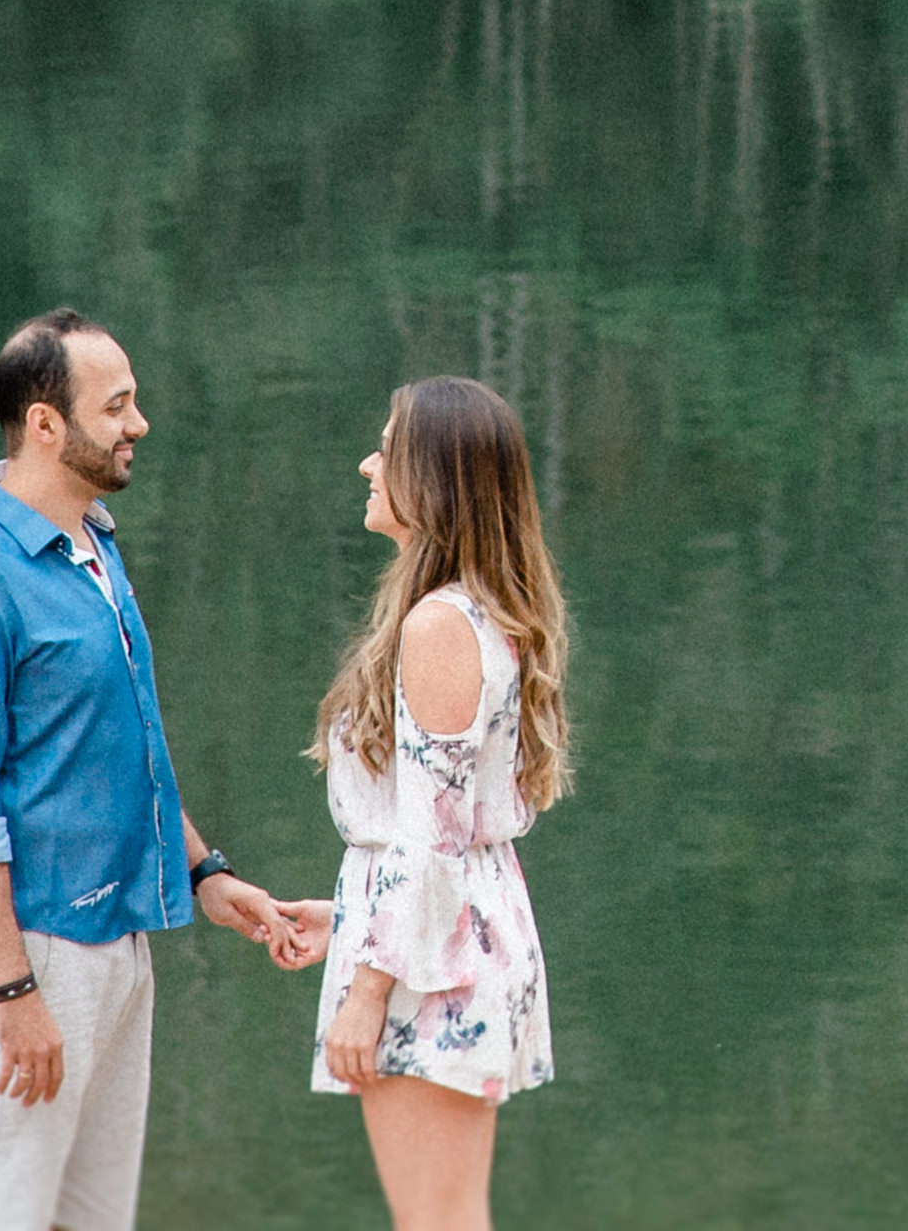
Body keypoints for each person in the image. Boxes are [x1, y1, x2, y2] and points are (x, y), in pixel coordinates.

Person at [0, 309, 329, 1231]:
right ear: (46, 424)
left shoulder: (95, 547)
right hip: (22, 953)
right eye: (118, 405)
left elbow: (126, 754)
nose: (139, 423)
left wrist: (206, 874)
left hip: (114, 944)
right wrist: (14, 993)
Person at [309, 373, 573, 1229]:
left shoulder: (440, 626)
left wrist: (367, 989)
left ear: (434, 475)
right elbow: (431, 832)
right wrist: (348, 914)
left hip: (432, 964)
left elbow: (433, 838)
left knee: (439, 1221)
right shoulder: (471, 614)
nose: (366, 465)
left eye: (386, 450)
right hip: (440, 930)